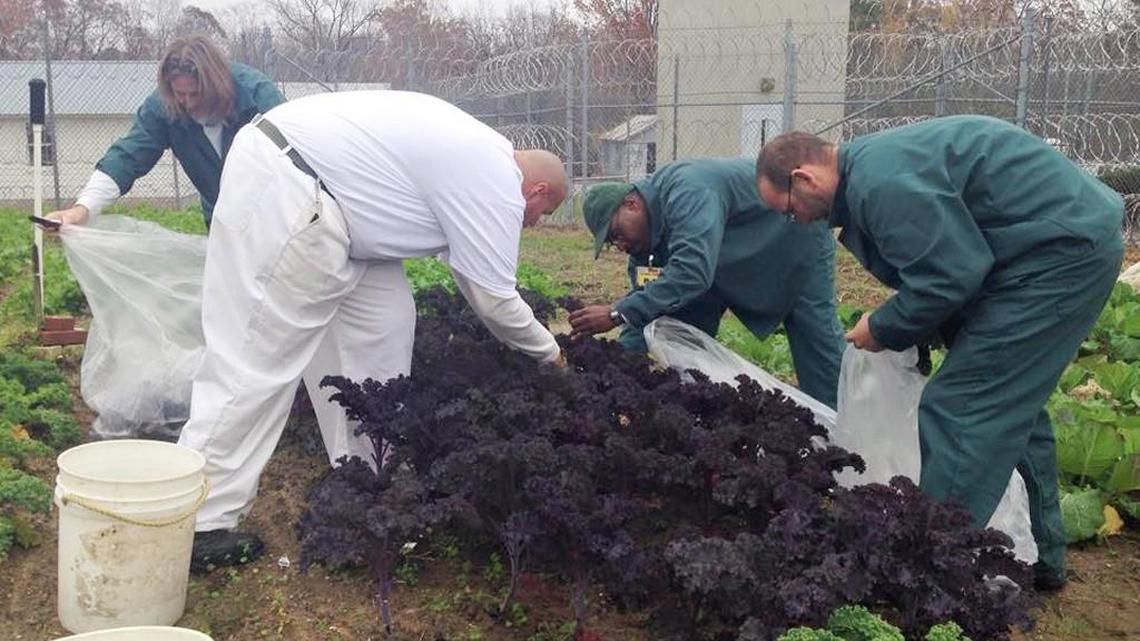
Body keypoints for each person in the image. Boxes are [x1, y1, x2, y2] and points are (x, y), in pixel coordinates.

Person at [183, 90, 568, 572]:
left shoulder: (478, 153)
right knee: (255, 361)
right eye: (543, 215)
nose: (534, 224)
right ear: (537, 192)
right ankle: (197, 521)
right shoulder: (496, 178)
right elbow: (491, 296)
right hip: (295, 190)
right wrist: (549, 354)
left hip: (339, 211)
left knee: (386, 327)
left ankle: (368, 476)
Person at [754, 116, 1125, 591]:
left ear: (804, 178)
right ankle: (1043, 559)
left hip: (1057, 258)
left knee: (962, 407)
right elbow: (952, 260)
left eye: (788, 210)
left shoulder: (880, 182)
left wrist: (886, 326)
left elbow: (952, 274)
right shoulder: (874, 171)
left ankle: (933, 573)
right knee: (1011, 408)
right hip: (1043, 251)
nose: (798, 220)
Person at [568, 158, 845, 409]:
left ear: (632, 204)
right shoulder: (647, 245)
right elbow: (644, 309)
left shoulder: (687, 189)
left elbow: (692, 272)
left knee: (817, 349)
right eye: (610, 243)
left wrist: (616, 314)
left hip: (791, 239)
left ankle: (846, 435)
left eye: (616, 232)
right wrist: (610, 373)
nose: (619, 244)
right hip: (721, 262)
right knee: (682, 335)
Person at [45, 35, 284, 227]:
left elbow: (298, 154)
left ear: (216, 85)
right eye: (180, 94)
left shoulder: (255, 95)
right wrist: (81, 210)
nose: (188, 102)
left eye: (196, 93)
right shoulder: (163, 109)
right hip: (223, 219)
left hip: (279, 213)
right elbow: (127, 157)